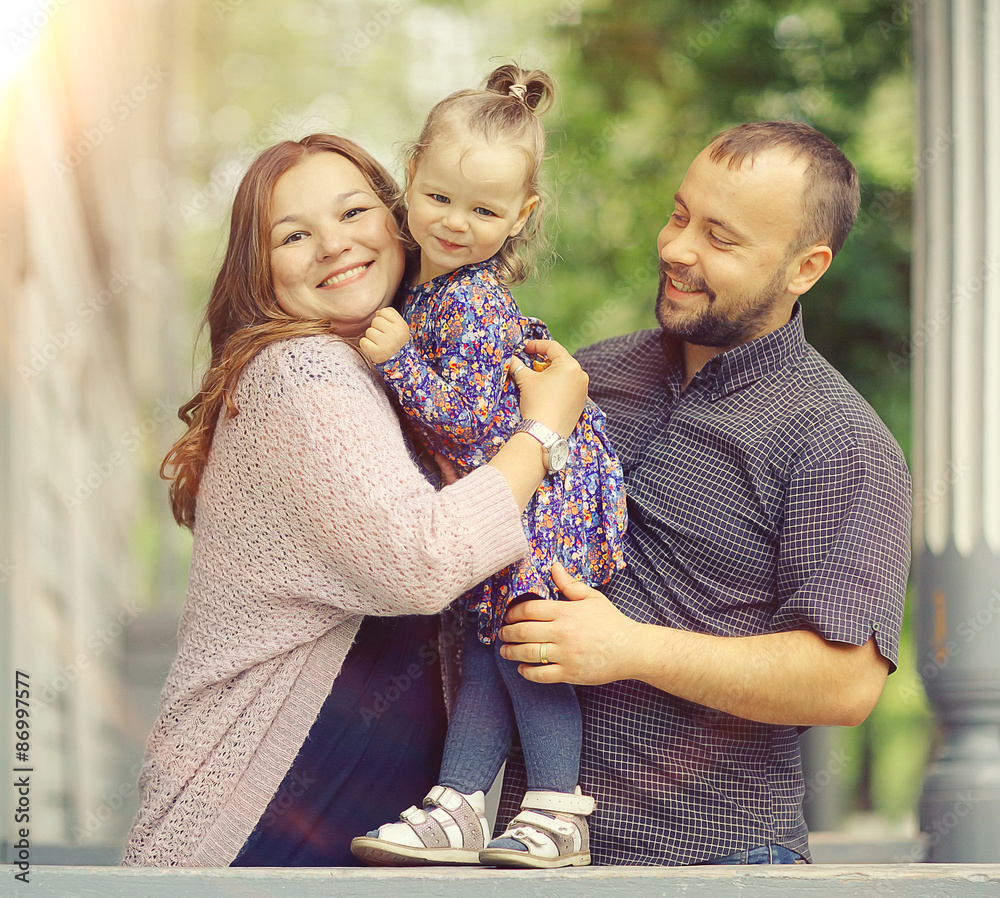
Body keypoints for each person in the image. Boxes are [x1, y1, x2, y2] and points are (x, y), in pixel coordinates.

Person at [120, 133, 589, 867]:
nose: (333, 246)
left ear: (394, 218)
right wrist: (544, 429)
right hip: (256, 827)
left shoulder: (392, 371)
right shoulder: (302, 374)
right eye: (294, 235)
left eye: (352, 213)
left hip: (343, 813)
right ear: (260, 268)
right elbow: (424, 558)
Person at [496, 121, 912, 866]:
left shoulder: (840, 440)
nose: (676, 248)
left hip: (722, 865)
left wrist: (628, 649)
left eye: (720, 238)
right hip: (531, 864)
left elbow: (845, 682)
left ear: (804, 267)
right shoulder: (586, 380)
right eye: (679, 214)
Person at [350, 65, 626, 870]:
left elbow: (469, 423)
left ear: (522, 215)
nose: (455, 223)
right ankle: (462, 802)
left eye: (485, 210)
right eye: (437, 198)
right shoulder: (427, 289)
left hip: (543, 500)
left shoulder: (468, 302)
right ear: (410, 175)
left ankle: (556, 811)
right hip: (510, 496)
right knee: (487, 646)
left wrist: (400, 364)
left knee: (527, 647)